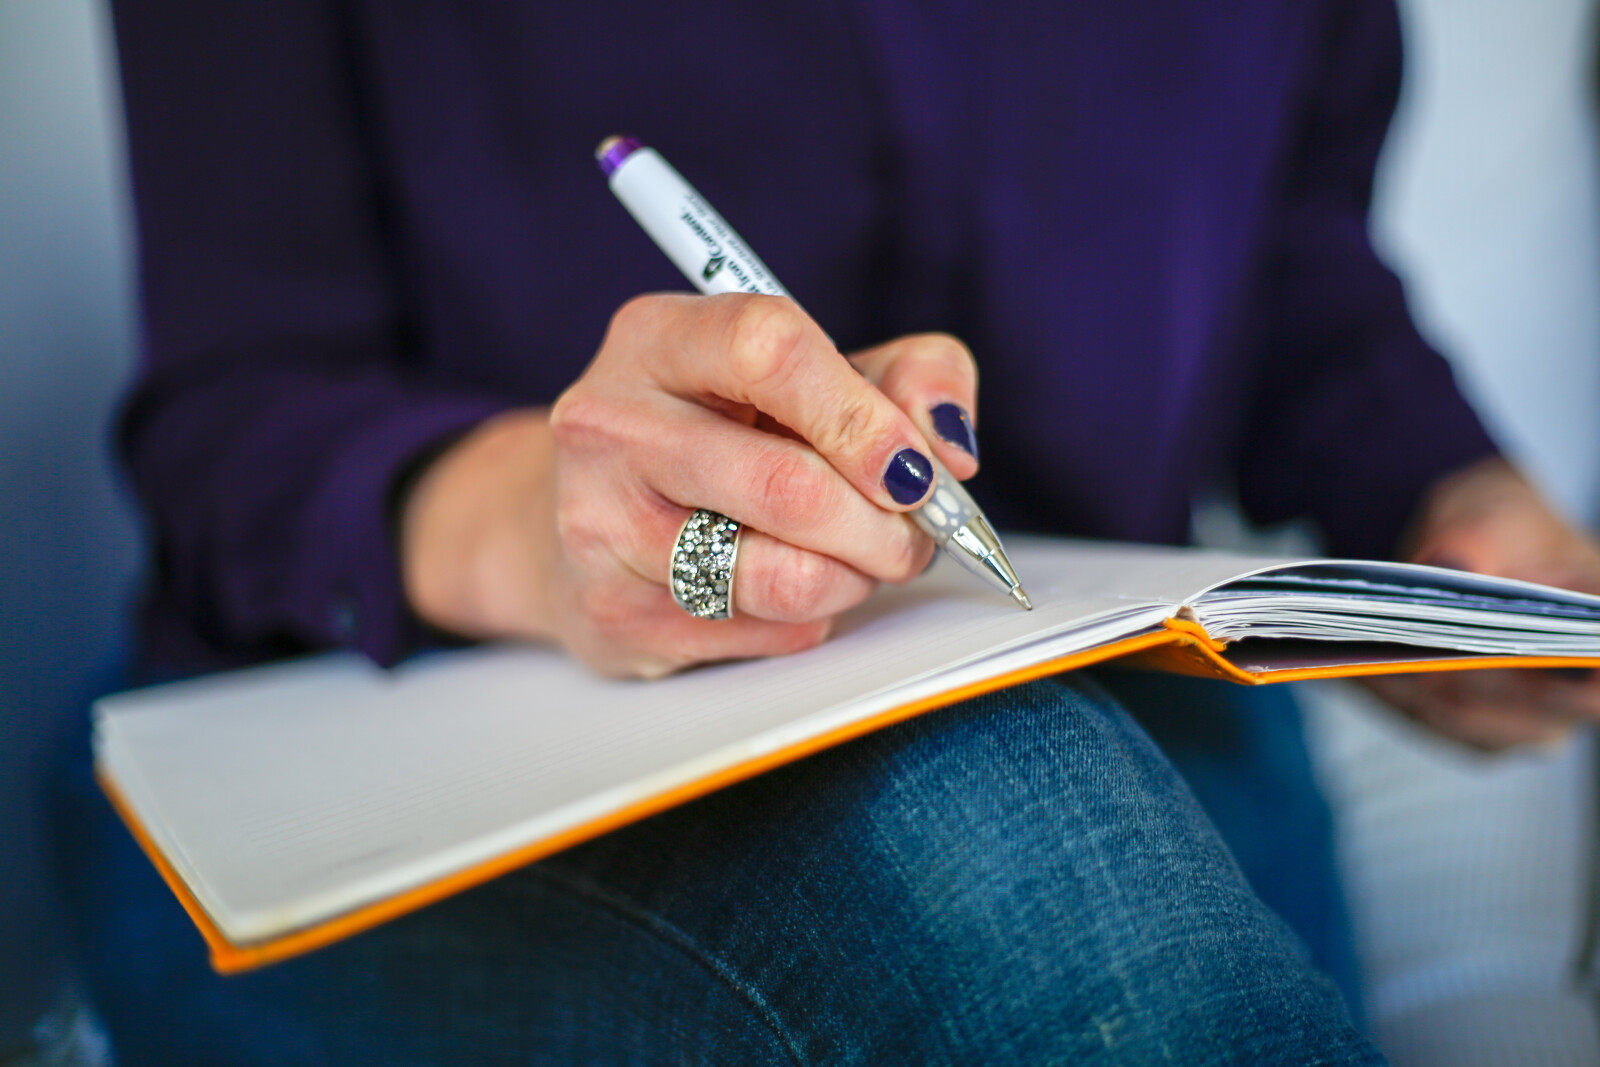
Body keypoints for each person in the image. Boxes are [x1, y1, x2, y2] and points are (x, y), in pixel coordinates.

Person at [54, 0, 1600, 1062]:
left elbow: (1285, 253)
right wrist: (549, 528)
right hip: (405, 747)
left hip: (1126, 688)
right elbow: (230, 415)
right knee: (1017, 834)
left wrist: (1438, 492)